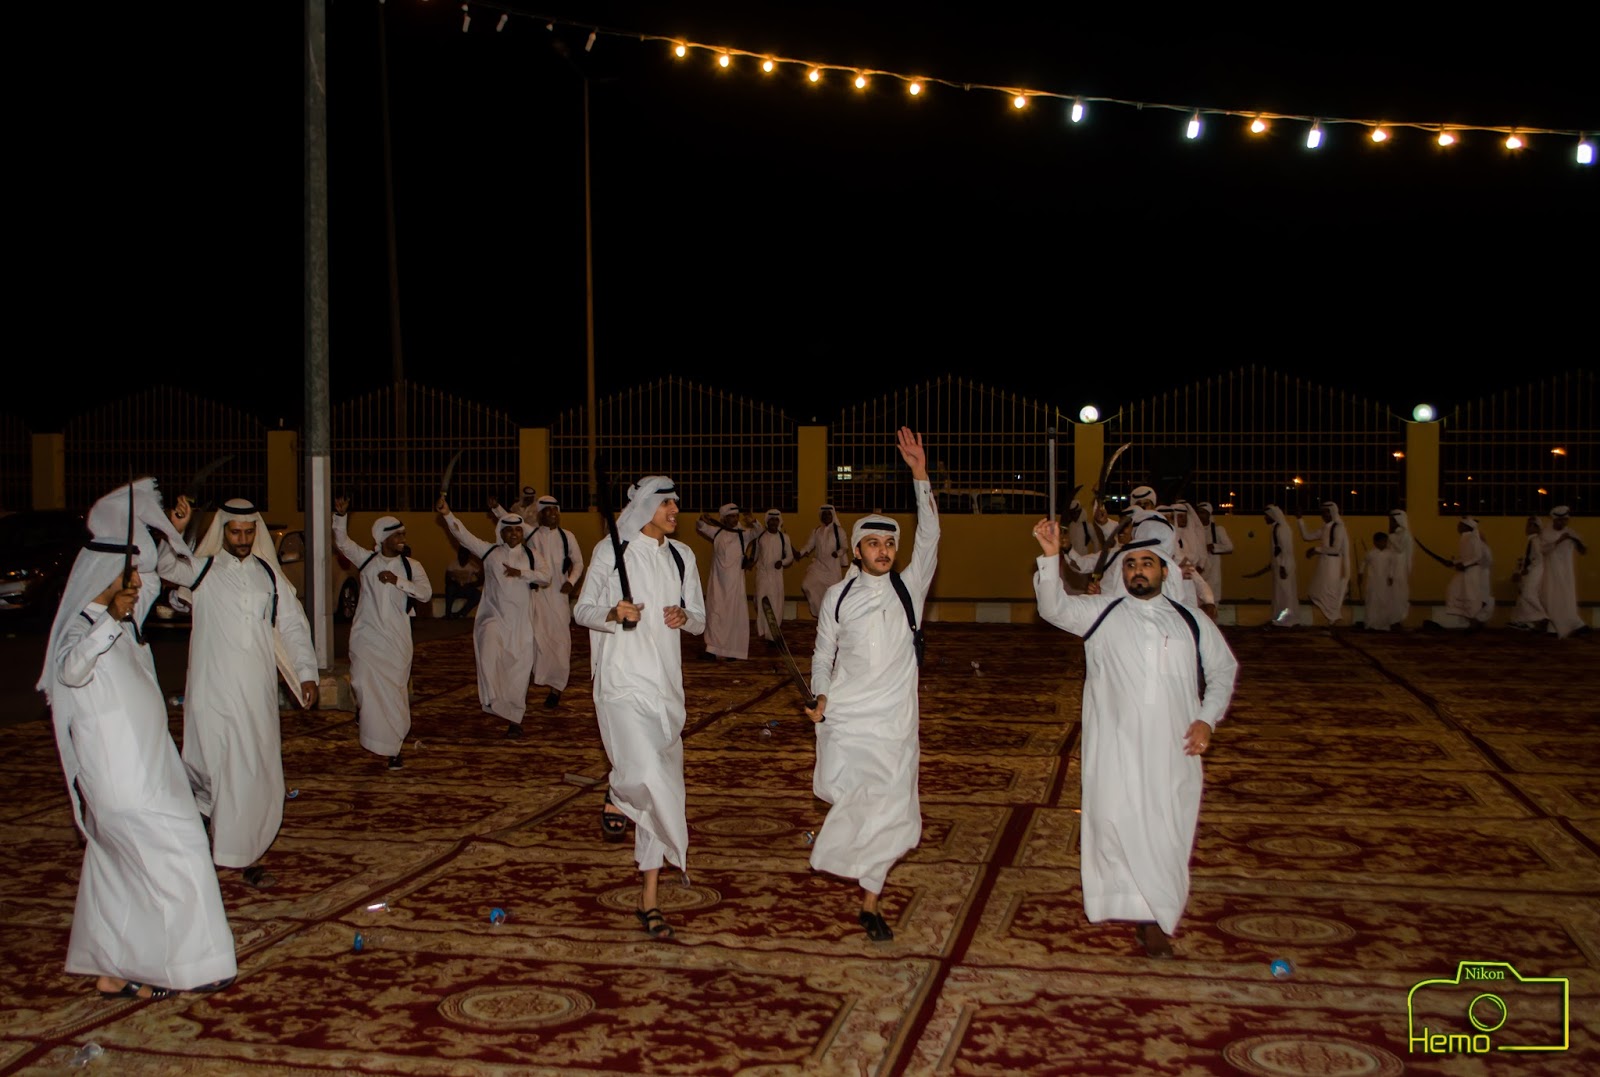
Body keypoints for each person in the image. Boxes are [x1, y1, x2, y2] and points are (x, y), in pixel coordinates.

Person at [40, 481, 236, 1000]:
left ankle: (112, 969)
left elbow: (152, 576)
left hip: (152, 768)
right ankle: (195, 965)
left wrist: (167, 529)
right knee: (182, 848)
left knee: (117, 871)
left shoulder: (124, 622)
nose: (134, 584)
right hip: (121, 778)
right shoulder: (81, 631)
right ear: (101, 577)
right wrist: (110, 618)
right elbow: (72, 670)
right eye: (123, 576)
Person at [1030, 514, 1238, 959]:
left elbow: (1223, 670)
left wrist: (1207, 719)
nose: (1138, 570)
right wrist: (1049, 559)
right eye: (1130, 564)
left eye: (1147, 563)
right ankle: (1146, 917)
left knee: (1168, 827)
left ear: (1164, 570)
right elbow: (1053, 608)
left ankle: (1159, 911)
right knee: (1118, 824)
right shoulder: (1102, 614)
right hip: (1117, 748)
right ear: (1122, 573)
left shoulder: (1190, 620)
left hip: (1174, 748)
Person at [805, 427, 938, 942]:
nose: (884, 550)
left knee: (894, 810)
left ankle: (870, 901)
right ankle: (858, 876)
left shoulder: (909, 588)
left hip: (895, 723)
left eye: (889, 544)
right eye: (874, 544)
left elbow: (930, 537)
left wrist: (920, 475)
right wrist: (820, 693)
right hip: (848, 717)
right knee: (858, 799)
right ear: (857, 551)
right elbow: (823, 655)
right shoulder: (838, 597)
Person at [160, 498, 318, 890]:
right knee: (211, 766)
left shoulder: (269, 575)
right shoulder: (204, 569)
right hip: (212, 690)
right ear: (223, 531)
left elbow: (293, 625)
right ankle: (208, 820)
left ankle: (245, 854)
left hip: (256, 693)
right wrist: (173, 528)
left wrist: (306, 674)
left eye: (249, 532)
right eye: (236, 532)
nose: (243, 539)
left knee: (252, 771)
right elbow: (164, 566)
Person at [574, 475, 706, 941]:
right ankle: (617, 789)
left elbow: (699, 619)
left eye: (676, 503)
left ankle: (650, 901)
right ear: (646, 506)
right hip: (620, 682)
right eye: (667, 503)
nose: (675, 511)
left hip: (665, 689)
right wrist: (613, 613)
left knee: (661, 790)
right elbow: (582, 610)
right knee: (645, 772)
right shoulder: (611, 551)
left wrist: (685, 616)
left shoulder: (682, 555)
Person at [331, 500, 432, 769]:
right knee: (361, 681)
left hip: (397, 639)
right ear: (382, 539)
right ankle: (364, 711)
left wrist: (398, 581)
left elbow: (425, 594)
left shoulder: (412, 566)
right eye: (397, 535)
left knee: (394, 693)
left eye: (403, 534)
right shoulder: (366, 561)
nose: (402, 539)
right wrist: (341, 516)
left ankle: (393, 749)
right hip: (367, 635)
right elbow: (342, 543)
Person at [438, 497, 548, 737]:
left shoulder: (532, 556)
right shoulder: (490, 552)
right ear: (502, 533)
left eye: (518, 530)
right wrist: (447, 514)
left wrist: (522, 573)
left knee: (518, 670)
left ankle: (515, 719)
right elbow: (463, 536)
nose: (514, 534)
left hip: (521, 624)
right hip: (494, 618)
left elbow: (545, 577)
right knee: (488, 651)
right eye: (509, 530)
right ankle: (492, 697)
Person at [495, 495, 586, 708]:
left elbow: (579, 563)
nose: (552, 514)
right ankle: (527, 682)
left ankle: (556, 688)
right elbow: (511, 519)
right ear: (540, 514)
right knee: (535, 639)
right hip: (535, 596)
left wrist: (571, 582)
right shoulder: (533, 533)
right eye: (548, 510)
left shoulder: (567, 536)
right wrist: (496, 507)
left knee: (560, 642)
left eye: (555, 510)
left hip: (559, 596)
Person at [695, 503, 756, 661]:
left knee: (733, 617)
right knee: (715, 613)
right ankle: (712, 649)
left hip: (735, 585)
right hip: (717, 583)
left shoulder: (744, 534)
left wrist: (754, 521)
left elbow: (758, 532)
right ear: (723, 518)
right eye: (730, 517)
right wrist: (702, 518)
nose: (734, 519)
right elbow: (701, 526)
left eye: (736, 516)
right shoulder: (717, 532)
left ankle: (732, 651)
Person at [1539, 507, 1589, 638]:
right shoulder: (1546, 533)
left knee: (1567, 598)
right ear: (1554, 520)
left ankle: (1571, 624)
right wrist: (1560, 540)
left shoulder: (1570, 532)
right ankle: (1554, 626)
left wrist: (1575, 539)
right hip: (1551, 571)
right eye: (1560, 520)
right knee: (1551, 598)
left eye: (1565, 520)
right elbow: (1543, 550)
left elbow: (1583, 550)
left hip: (1567, 572)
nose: (1563, 523)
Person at [1298, 501, 1351, 625]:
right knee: (1317, 590)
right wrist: (1300, 519)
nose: (1322, 515)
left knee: (1330, 591)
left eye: (1325, 512)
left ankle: (1333, 619)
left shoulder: (1338, 527)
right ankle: (1330, 619)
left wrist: (1316, 549)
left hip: (1333, 564)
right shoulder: (1325, 528)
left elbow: (1336, 549)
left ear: (1332, 513)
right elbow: (1307, 537)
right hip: (1324, 563)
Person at [751, 509, 796, 647]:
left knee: (776, 604)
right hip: (762, 575)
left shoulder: (784, 537)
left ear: (779, 521)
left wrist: (782, 562)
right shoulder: (761, 537)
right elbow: (755, 555)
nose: (773, 522)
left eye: (776, 520)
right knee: (762, 602)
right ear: (767, 521)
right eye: (771, 520)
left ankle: (772, 636)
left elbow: (790, 557)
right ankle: (765, 631)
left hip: (776, 576)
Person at [796, 504, 850, 618]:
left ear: (832, 516)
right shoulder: (817, 531)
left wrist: (838, 553)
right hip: (818, 566)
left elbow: (845, 546)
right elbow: (809, 545)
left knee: (834, 594)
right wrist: (800, 553)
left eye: (828, 514)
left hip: (833, 568)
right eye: (824, 514)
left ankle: (833, 618)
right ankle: (820, 612)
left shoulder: (839, 531)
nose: (826, 516)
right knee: (807, 584)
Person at [1442, 517, 1494, 628]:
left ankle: (1475, 622)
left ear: (1466, 526)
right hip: (1466, 572)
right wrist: (1453, 562)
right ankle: (1474, 622)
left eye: (1460, 525)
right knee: (1454, 591)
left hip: (1474, 573)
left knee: (1471, 597)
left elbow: (1478, 556)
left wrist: (1464, 565)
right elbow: (1466, 557)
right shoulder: (1464, 538)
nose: (1458, 527)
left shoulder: (1473, 538)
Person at [1507, 516, 1550, 632]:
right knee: (1524, 595)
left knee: (1528, 594)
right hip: (1532, 570)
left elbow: (1537, 559)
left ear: (1535, 527)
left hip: (1535, 570)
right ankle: (1525, 621)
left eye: (1529, 525)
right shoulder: (1532, 540)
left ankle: (1543, 616)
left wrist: (1525, 569)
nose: (1526, 528)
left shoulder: (1535, 540)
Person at [1263, 505, 1300, 627]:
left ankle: (1288, 620)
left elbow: (1285, 549)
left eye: (1267, 516)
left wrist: (1283, 566)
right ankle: (1280, 619)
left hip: (1284, 565)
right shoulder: (1276, 528)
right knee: (1280, 593)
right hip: (1279, 565)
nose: (1265, 518)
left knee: (1286, 593)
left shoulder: (1282, 529)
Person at [1360, 531, 1405, 631]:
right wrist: (1360, 573)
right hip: (1373, 582)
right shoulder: (1370, 553)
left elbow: (1392, 566)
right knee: (1372, 602)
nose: (1383, 543)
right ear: (1375, 542)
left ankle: (1383, 625)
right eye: (1381, 541)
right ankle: (1370, 624)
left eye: (1385, 541)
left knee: (1384, 602)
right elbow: (1363, 563)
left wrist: (1391, 576)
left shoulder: (1390, 554)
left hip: (1385, 583)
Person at [1196, 502, 1233, 605]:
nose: (1200, 515)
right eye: (1198, 513)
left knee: (1213, 600)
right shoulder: (1194, 531)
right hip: (1199, 570)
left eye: (1203, 513)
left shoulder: (1218, 530)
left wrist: (1213, 547)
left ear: (1209, 514)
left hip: (1213, 570)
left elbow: (1229, 547)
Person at [1386, 509, 1415, 628]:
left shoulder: (1404, 534)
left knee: (1398, 594)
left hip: (1399, 569)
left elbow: (1400, 549)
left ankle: (1397, 619)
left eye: (1393, 521)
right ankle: (1391, 619)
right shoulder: (1395, 534)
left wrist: (1391, 537)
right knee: (1391, 594)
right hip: (1391, 568)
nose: (1391, 523)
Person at [443, 545, 483, 618]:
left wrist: (470, 585)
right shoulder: (452, 564)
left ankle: (461, 613)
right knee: (449, 588)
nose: (461, 557)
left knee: (478, 595)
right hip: (456, 588)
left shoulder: (472, 565)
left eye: (464, 555)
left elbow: (481, 580)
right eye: (460, 555)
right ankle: (448, 613)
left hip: (467, 588)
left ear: (468, 556)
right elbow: (447, 580)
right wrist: (455, 584)